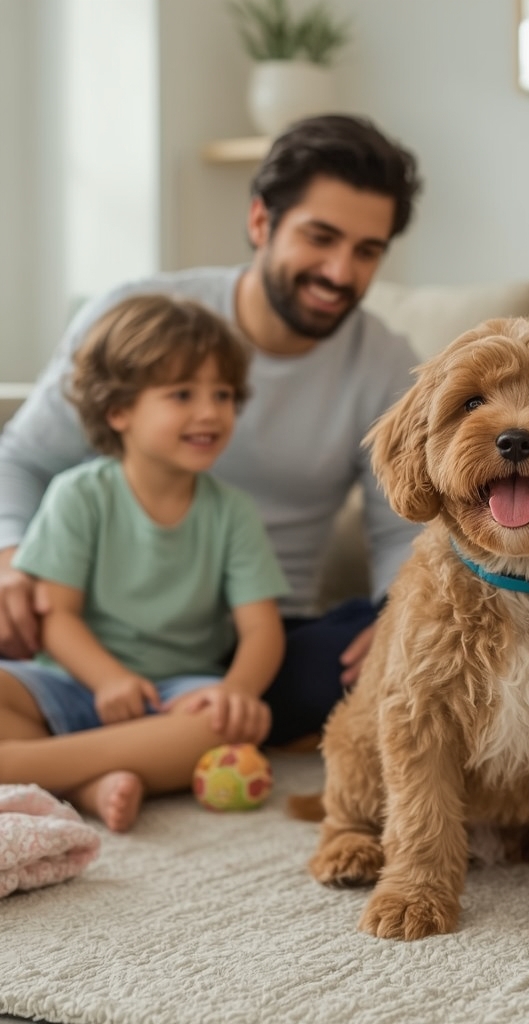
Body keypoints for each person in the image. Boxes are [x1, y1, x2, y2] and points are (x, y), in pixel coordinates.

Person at [0, 114, 423, 747]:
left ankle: (85, 748)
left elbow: (402, 528)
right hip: (90, 626)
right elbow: (21, 460)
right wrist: (10, 564)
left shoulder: (386, 363)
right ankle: (118, 742)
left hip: (264, 638)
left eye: (367, 251)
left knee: (388, 647)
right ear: (260, 222)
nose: (340, 272)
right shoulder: (141, 318)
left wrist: (400, 617)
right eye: (320, 237)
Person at [0, 295, 289, 831]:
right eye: (182, 394)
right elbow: (56, 616)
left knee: (234, 725)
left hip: (175, 692)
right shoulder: (77, 494)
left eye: (222, 395)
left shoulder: (233, 512)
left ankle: (23, 767)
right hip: (70, 681)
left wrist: (237, 691)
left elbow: (261, 628)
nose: (209, 412)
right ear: (118, 410)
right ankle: (89, 783)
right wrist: (108, 679)